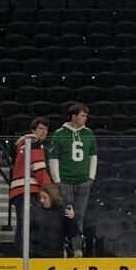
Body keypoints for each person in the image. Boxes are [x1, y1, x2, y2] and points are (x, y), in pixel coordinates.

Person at [52, 102, 96, 256]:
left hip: (83, 182)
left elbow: (93, 156)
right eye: (83, 115)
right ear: (74, 116)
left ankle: (77, 249)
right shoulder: (59, 133)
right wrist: (57, 180)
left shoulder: (89, 133)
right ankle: (63, 247)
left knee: (79, 216)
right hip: (65, 181)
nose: (85, 118)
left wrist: (90, 178)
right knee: (65, 214)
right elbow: (53, 157)